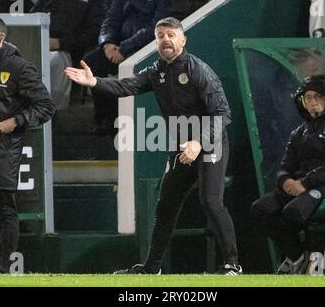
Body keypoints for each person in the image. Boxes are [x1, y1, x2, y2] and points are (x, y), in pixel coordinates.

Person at [66, 17, 242, 275]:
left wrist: (198, 142)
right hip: (183, 147)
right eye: (161, 35)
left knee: (211, 201)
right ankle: (151, 268)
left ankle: (232, 265)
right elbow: (126, 86)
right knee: (165, 205)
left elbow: (223, 114)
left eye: (171, 34)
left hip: (210, 143)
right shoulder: (156, 71)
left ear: (183, 40)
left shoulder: (198, 70)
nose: (165, 39)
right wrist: (95, 83)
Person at [250, 74, 325, 274]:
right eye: (308, 98)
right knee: (260, 209)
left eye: (317, 97)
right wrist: (285, 181)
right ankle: (295, 256)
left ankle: (314, 262)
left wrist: (306, 183)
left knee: (295, 211)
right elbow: (285, 165)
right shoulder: (299, 132)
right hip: (298, 186)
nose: (312, 102)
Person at [0, 16, 55, 273]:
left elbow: (46, 107)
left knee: (6, 208)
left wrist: (17, 120)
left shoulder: (20, 67)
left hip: (3, 151)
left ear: (1, 36)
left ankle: (4, 264)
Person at [82, 0, 181, 135]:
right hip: (119, 45)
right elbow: (111, 20)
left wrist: (125, 49)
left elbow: (158, 27)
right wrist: (107, 43)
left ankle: (126, 120)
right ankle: (105, 118)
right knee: (92, 61)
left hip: (148, 47)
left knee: (133, 64)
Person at [31, 0, 104, 110]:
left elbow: (93, 33)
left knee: (54, 59)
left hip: (69, 51)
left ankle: (51, 114)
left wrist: (60, 43)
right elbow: (32, 18)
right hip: (39, 42)